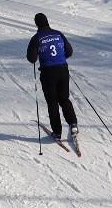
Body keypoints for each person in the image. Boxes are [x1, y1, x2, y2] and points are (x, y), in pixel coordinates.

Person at [26, 13, 79, 146]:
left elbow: (31, 58)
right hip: (62, 69)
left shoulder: (36, 38)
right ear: (47, 21)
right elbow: (69, 52)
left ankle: (57, 132)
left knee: (52, 102)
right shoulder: (58, 34)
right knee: (64, 99)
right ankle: (73, 124)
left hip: (48, 73)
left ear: (36, 24)